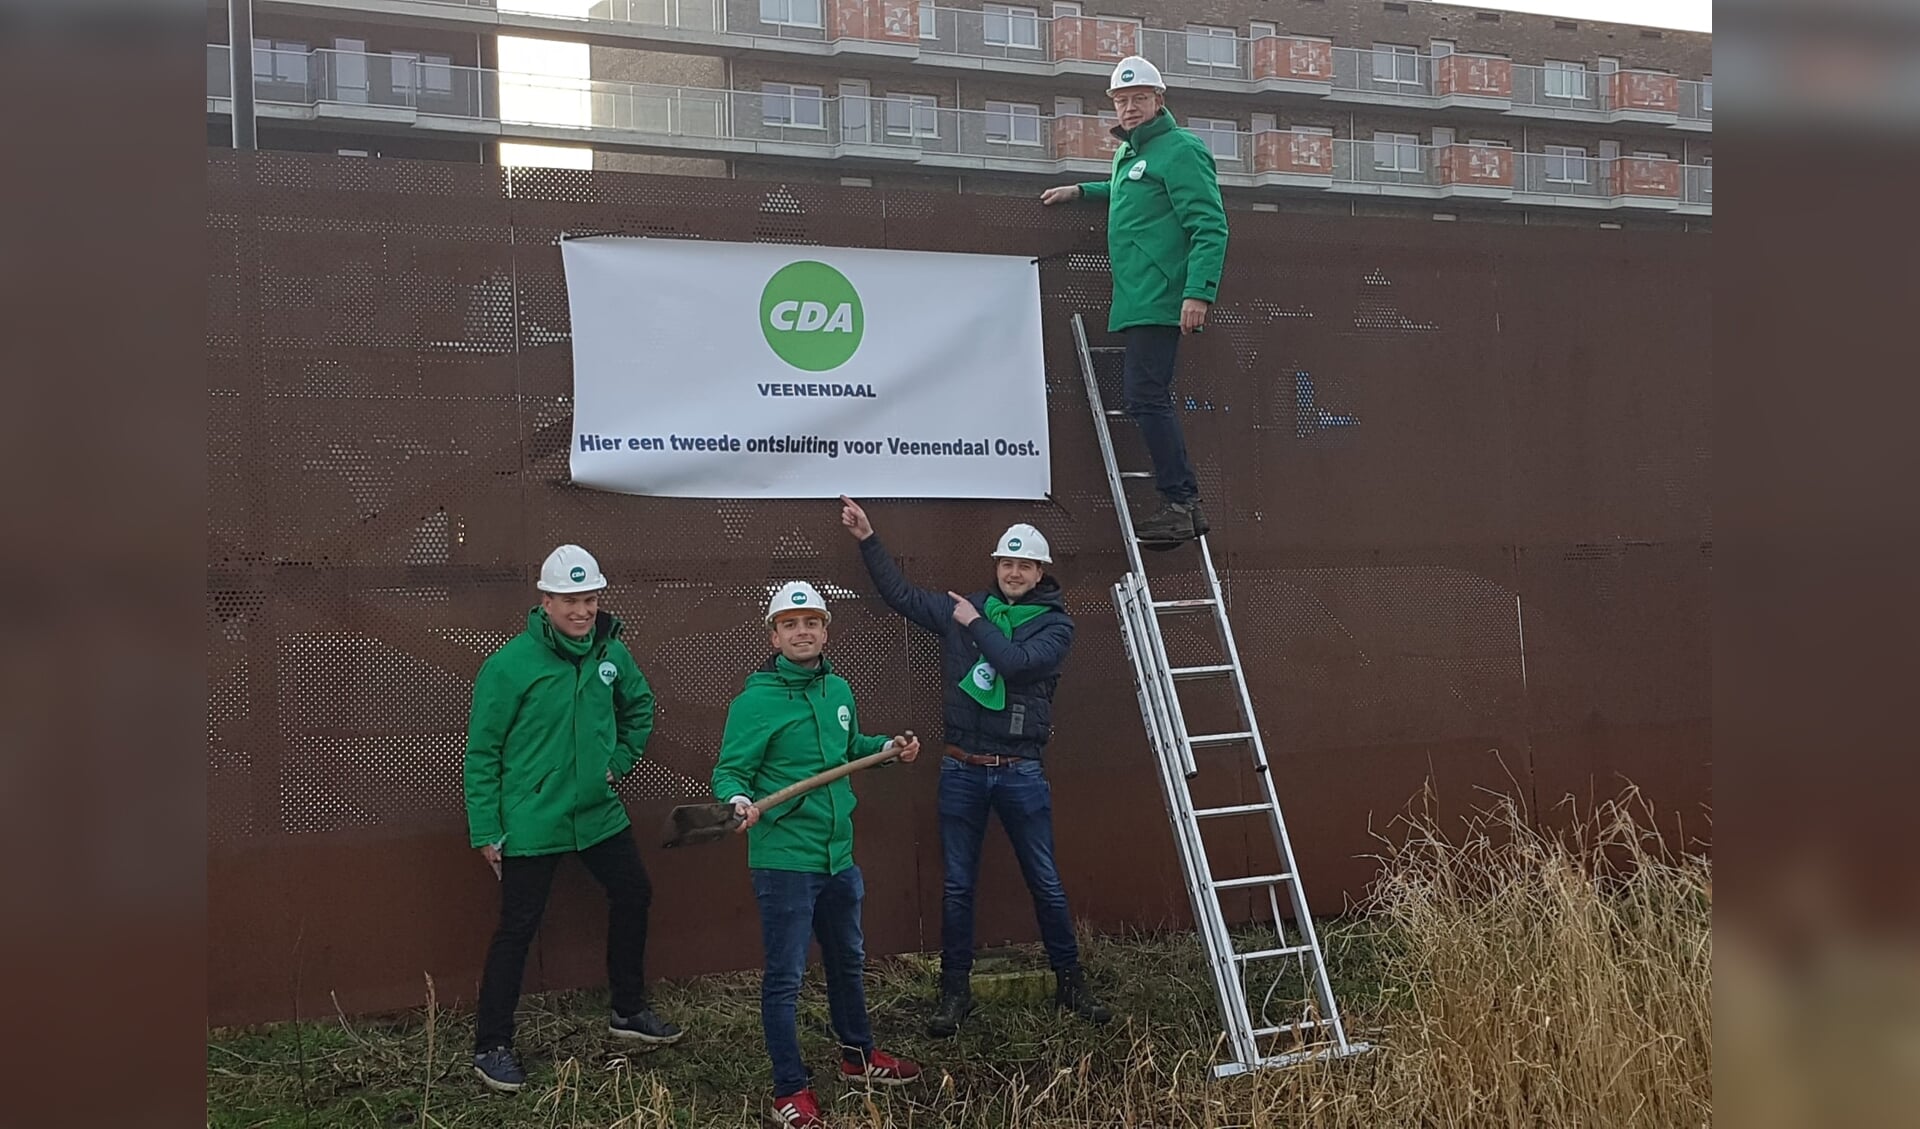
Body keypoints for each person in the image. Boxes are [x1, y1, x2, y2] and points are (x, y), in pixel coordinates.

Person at [839, 497, 1112, 1038]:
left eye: (1025, 565)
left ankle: (1071, 982)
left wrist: (974, 620)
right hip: (961, 769)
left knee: (1046, 882)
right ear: (997, 567)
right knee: (958, 886)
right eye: (1007, 563)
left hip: (1020, 771)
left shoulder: (1055, 626)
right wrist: (868, 537)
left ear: (1040, 572)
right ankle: (954, 992)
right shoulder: (964, 608)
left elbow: (1014, 664)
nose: (1014, 573)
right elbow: (901, 597)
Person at [463, 544, 684, 1094]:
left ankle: (628, 1011)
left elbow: (641, 707)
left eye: (589, 600)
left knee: (634, 892)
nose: (582, 612)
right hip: (533, 818)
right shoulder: (509, 665)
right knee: (517, 928)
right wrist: (486, 828)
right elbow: (482, 751)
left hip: (597, 812)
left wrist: (619, 763)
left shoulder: (612, 652)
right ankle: (492, 1045)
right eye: (570, 601)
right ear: (545, 602)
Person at [711, 580, 924, 1129]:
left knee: (848, 962)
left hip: (838, 857)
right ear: (774, 635)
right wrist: (738, 801)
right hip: (784, 859)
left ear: (826, 630)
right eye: (790, 624)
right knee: (785, 976)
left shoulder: (839, 691)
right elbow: (730, 771)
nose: (802, 632)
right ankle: (790, 1091)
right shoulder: (754, 702)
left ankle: (857, 1057)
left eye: (811, 623)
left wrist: (883, 749)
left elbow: (848, 750)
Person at [1041, 54, 1229, 545]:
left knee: (1147, 398)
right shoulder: (1130, 155)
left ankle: (1181, 502)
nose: (1128, 108)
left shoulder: (1181, 148)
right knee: (1145, 397)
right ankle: (1185, 508)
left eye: (1137, 99)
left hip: (1162, 295)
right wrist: (1082, 191)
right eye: (1121, 101)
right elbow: (1130, 192)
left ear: (1158, 101)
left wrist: (1197, 293)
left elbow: (1210, 226)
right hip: (1137, 294)